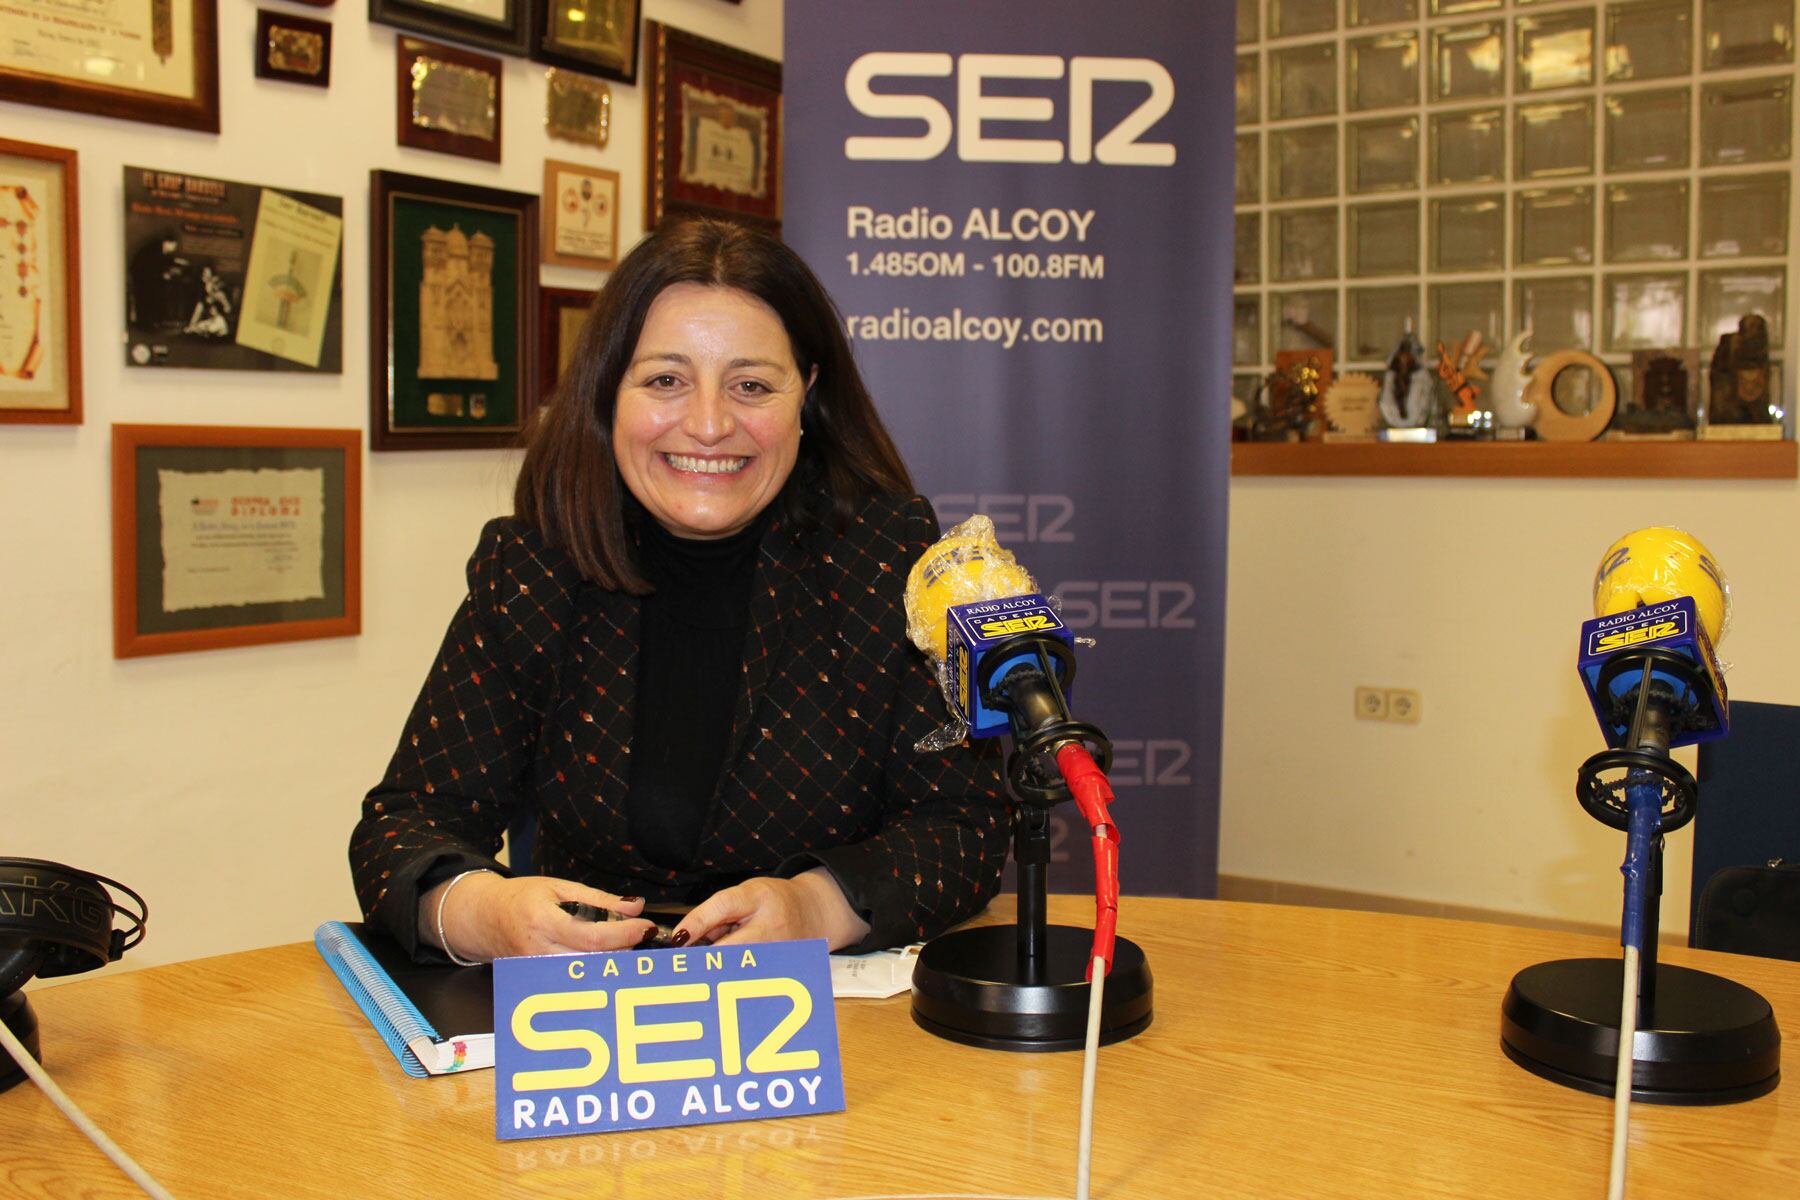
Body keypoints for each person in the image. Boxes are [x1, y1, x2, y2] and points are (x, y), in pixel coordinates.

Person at [348, 218, 1010, 964]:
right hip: (596, 1008)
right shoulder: (531, 565)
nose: (708, 425)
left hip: (830, 1007)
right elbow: (403, 827)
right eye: (666, 380)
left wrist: (818, 906)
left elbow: (966, 825)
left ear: (807, 394)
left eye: (751, 385)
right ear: (610, 391)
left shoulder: (890, 557)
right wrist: (487, 912)